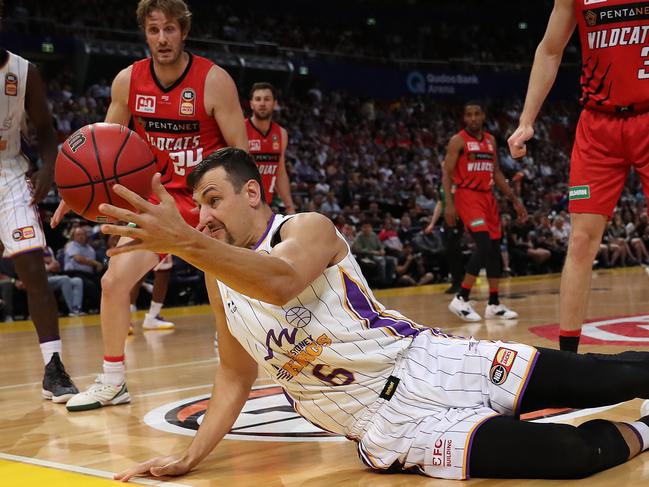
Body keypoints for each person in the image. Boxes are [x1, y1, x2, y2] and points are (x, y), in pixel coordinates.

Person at [96, 148, 649, 482]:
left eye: (213, 200)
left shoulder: (304, 228)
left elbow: (279, 280)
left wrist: (186, 243)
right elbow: (235, 374)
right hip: (389, 429)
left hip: (429, 362)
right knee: (572, 456)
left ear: (252, 193)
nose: (203, 215)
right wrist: (191, 455)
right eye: (196, 206)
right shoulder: (220, 278)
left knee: (616, 376)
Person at [54, 0, 248, 411]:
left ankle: (258, 370)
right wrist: (74, 197)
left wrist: (233, 211)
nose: (162, 39)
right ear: (145, 32)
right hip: (157, 202)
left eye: (171, 30)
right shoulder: (128, 81)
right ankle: (113, 382)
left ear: (184, 32)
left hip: (206, 199)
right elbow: (99, 151)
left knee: (233, 289)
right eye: (155, 30)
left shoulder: (215, 81)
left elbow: (240, 155)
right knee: (112, 282)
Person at [508, 0, 649, 351]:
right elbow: (550, 50)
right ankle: (568, 363)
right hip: (598, 125)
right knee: (582, 242)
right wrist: (527, 121)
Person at [0, 46, 78, 401]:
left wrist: (49, 166)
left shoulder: (23, 70)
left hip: (10, 174)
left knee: (34, 271)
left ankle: (53, 367)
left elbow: (46, 129)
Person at [444, 101, 527, 322]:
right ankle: (460, 297)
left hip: (487, 196)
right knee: (484, 244)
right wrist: (448, 204)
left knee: (494, 248)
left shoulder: (490, 140)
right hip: (467, 195)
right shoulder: (458, 141)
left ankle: (494, 303)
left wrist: (514, 200)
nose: (472, 118)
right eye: (468, 114)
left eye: (476, 114)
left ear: (483, 116)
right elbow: (446, 173)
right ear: (464, 118)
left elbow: (497, 172)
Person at [245, 82, 295, 213]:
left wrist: (289, 206)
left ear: (274, 103)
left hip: (265, 205)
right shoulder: (241, 129)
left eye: (267, 99)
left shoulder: (281, 133)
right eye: (258, 99)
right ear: (251, 104)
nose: (262, 103)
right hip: (243, 203)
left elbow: (280, 172)